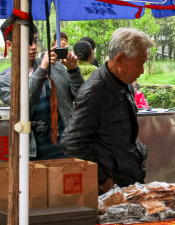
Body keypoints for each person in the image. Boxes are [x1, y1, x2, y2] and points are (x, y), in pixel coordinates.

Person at [61, 28, 151, 192]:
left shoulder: (123, 84)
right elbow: (72, 143)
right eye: (139, 63)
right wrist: (104, 180)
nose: (142, 70)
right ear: (120, 60)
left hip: (130, 177)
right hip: (111, 187)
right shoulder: (95, 92)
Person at [0, 19, 84, 160]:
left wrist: (73, 70)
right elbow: (24, 101)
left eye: (35, 41)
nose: (33, 47)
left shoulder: (56, 67)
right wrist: (43, 69)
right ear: (10, 45)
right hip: (33, 154)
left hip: (68, 147)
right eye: (27, 42)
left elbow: (81, 97)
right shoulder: (5, 80)